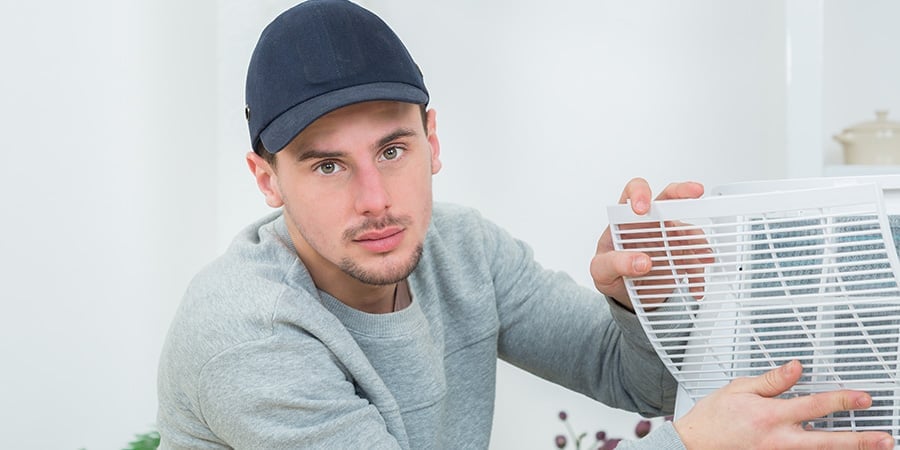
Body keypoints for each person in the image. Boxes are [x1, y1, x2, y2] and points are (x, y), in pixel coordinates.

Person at [155, 1, 895, 449]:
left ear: (433, 140)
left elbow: (634, 384)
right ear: (267, 180)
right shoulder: (247, 334)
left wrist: (646, 296)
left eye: (392, 149)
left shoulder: (462, 249)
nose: (375, 199)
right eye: (327, 166)